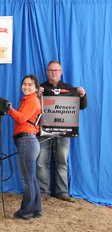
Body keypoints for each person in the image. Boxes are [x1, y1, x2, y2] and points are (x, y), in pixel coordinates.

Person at [37, 60, 88, 203]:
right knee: (42, 162)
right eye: (51, 70)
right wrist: (36, 95)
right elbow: (32, 108)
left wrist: (83, 96)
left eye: (56, 70)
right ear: (47, 72)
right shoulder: (39, 88)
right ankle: (43, 192)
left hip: (64, 132)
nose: (54, 73)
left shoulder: (70, 89)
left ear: (61, 72)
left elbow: (81, 107)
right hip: (44, 131)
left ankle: (62, 193)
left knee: (62, 162)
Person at [9, 74, 42, 220]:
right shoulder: (30, 100)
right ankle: (36, 210)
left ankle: (26, 212)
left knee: (27, 180)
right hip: (28, 141)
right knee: (32, 179)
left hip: (27, 142)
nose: (26, 87)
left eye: (30, 85)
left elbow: (21, 118)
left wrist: (8, 108)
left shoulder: (32, 100)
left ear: (35, 88)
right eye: (24, 84)